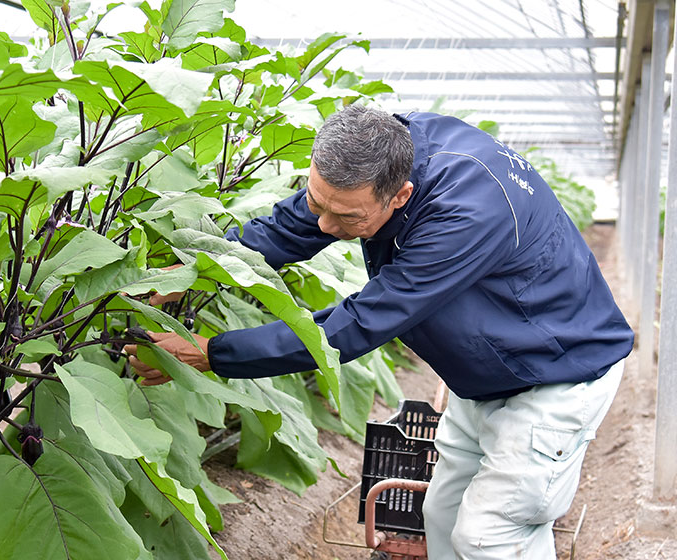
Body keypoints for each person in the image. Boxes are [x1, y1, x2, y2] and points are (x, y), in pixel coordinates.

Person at [126, 105, 634, 559]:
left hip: (556, 376)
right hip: (486, 377)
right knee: (442, 520)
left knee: (491, 536)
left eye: (345, 216)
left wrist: (214, 353)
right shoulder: (377, 153)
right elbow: (294, 227)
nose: (324, 224)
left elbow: (361, 322)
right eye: (316, 200)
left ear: (401, 195)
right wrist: (200, 265)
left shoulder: (468, 210)